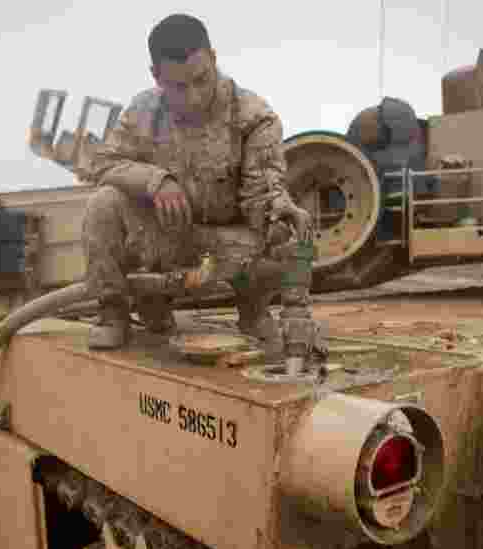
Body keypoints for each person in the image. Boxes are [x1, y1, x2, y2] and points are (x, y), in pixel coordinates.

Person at [81, 14, 311, 349]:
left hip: (228, 242)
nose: (193, 97)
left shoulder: (253, 116)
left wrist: (277, 206)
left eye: (201, 80)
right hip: (166, 238)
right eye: (178, 87)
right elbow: (102, 164)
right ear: (156, 76)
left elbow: (260, 192)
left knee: (285, 228)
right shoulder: (141, 113)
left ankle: (254, 311)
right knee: (103, 203)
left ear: (214, 59)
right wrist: (155, 181)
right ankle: (115, 311)